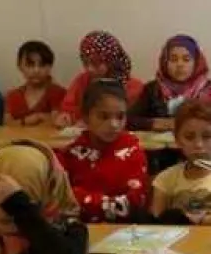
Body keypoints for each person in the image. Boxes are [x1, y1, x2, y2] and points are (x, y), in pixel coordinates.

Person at [60, 80, 149, 223]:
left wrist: (84, 199)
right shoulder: (72, 153)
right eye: (103, 116)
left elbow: (135, 201)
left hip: (123, 229)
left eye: (120, 117)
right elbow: (62, 196)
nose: (113, 125)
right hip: (80, 229)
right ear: (85, 117)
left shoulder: (132, 151)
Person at [150, 102, 211, 226]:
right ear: (177, 140)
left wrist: (183, 219)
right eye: (189, 137)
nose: (199, 145)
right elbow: (155, 222)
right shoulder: (165, 178)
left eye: (207, 136)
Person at [131, 34, 211, 131]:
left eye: (186, 59)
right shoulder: (153, 89)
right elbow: (130, 120)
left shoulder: (206, 89)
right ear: (165, 62)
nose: (180, 65)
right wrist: (162, 124)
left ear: (196, 63)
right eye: (174, 59)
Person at [55, 31, 143, 125]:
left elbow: (130, 119)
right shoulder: (82, 80)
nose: (90, 69)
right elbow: (68, 107)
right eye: (85, 63)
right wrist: (66, 116)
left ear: (111, 61)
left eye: (96, 63)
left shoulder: (133, 87)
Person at [5, 40, 65, 127]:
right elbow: (7, 125)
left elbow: (57, 122)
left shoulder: (59, 93)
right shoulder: (13, 95)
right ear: (20, 66)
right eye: (30, 65)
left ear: (50, 67)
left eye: (42, 65)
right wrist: (26, 121)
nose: (36, 70)